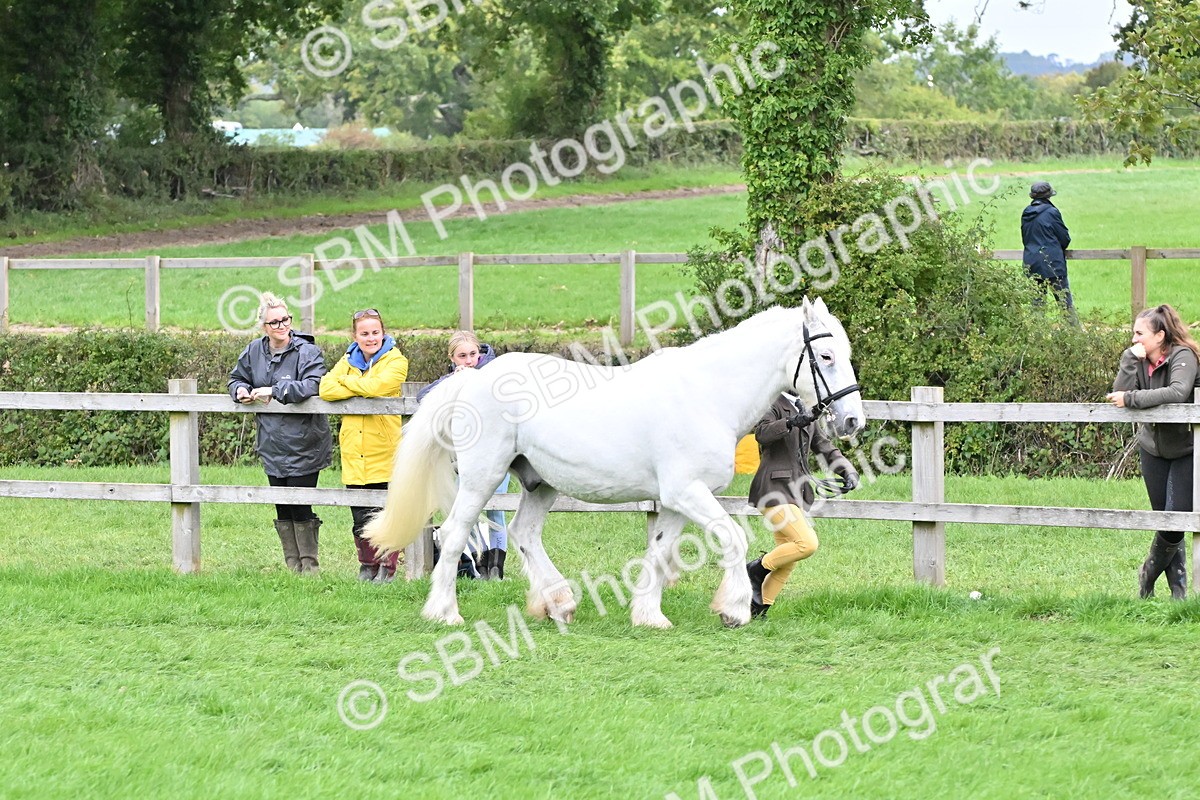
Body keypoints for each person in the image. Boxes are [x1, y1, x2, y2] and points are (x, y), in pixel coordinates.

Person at [228, 293, 332, 574]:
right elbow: (236, 376)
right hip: (271, 443)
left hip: (304, 443)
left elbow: (313, 385)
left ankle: (309, 567)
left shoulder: (307, 352)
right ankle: (292, 566)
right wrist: (239, 391)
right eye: (274, 322)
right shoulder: (253, 351)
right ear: (264, 326)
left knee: (300, 505)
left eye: (284, 319)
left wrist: (275, 391)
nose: (281, 325)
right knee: (282, 507)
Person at [1106, 304, 1200, 600]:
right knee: (1165, 519)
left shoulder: (1183, 356)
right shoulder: (1138, 358)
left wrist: (1131, 398)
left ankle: (1148, 571)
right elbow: (1116, 394)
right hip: (1153, 449)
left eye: (1139, 334)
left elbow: (1177, 393)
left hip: (1186, 449)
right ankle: (1178, 592)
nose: (1134, 339)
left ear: (1160, 336)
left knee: (1175, 520)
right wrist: (1127, 360)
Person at [745, 394, 859, 618]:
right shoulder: (772, 403)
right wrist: (790, 422)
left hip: (795, 493)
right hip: (773, 488)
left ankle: (758, 610)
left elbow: (824, 447)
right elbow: (762, 434)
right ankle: (755, 570)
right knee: (806, 543)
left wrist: (848, 470)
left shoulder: (805, 408)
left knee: (788, 557)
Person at [319, 308, 410, 583]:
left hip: (384, 448)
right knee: (360, 515)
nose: (371, 338)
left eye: (375, 333)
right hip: (353, 449)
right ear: (355, 335)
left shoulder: (397, 361)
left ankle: (388, 566)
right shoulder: (348, 359)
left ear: (383, 333)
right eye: (364, 333)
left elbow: (378, 387)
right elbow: (325, 388)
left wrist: (347, 382)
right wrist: (360, 382)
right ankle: (367, 565)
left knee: (385, 512)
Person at [417, 330, 510, 579]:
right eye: (462, 356)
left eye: (473, 354)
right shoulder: (453, 378)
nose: (469, 360)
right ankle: (474, 562)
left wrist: (475, 379)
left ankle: (496, 566)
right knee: (464, 507)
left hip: (498, 452)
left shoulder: (494, 372)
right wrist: (452, 381)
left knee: (496, 508)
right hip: (465, 457)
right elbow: (422, 397)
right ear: (452, 358)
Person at [1021, 180, 1075, 317]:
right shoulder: (1052, 212)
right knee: (1065, 305)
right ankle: (1074, 335)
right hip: (1053, 264)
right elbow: (1064, 238)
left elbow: (1025, 238)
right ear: (1048, 196)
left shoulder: (1026, 213)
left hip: (1031, 263)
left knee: (1037, 307)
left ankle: (1036, 336)